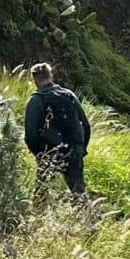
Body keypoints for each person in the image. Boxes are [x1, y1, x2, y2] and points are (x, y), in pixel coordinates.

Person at [23, 62, 93, 195]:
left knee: (42, 193)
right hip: (74, 151)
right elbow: (85, 125)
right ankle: (86, 215)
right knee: (78, 194)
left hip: (49, 152)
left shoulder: (35, 101)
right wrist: (81, 149)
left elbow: (30, 135)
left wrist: (39, 154)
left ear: (35, 80)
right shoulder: (69, 95)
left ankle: (40, 214)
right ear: (51, 76)